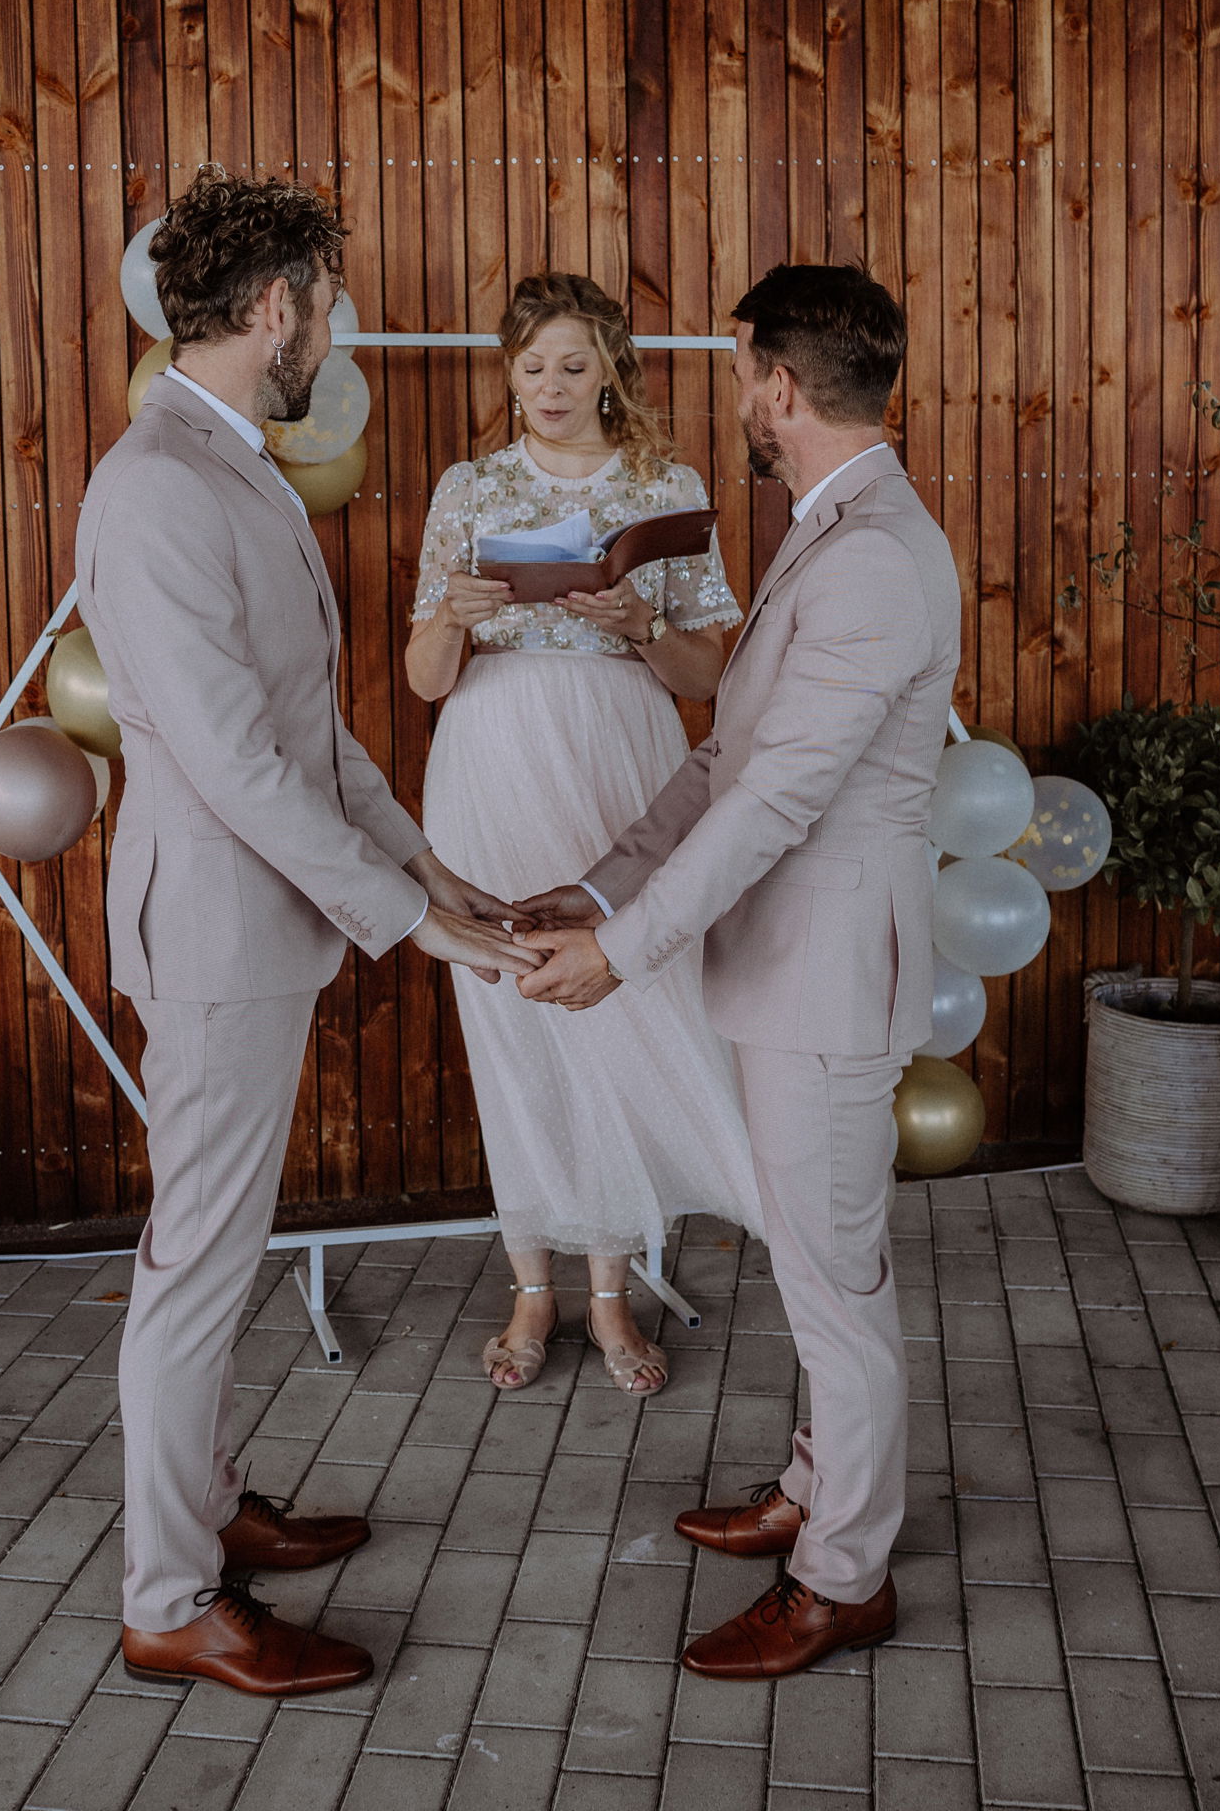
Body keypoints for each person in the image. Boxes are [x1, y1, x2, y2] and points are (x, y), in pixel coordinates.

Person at [76, 169, 540, 1698]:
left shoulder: (236, 464)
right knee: (196, 1262)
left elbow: (318, 734)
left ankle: (206, 1509)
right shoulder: (152, 486)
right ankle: (167, 1597)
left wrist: (439, 871)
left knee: (213, 1247)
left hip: (263, 923)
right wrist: (411, 921)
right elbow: (228, 762)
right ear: (273, 307)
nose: (331, 327)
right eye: (325, 301)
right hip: (212, 933)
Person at [517, 263, 961, 1680]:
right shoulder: (830, 529)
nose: (741, 406)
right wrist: (595, 885)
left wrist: (620, 954)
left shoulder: (880, 554)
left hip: (829, 983)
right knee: (823, 1269)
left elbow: (776, 805)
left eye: (743, 379)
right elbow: (721, 761)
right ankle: (815, 1489)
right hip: (787, 971)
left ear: (780, 381)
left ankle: (845, 1575)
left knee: (838, 1286)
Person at [406, 272, 764, 1397]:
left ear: (611, 366)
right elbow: (420, 680)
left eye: (572, 364)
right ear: (506, 371)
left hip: (623, 757)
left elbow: (718, 677)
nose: (551, 386)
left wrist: (643, 621)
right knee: (512, 1007)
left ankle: (611, 1289)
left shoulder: (667, 485)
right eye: (530, 365)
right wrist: (451, 621)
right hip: (491, 753)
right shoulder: (468, 488)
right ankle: (530, 1282)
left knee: (621, 1004)